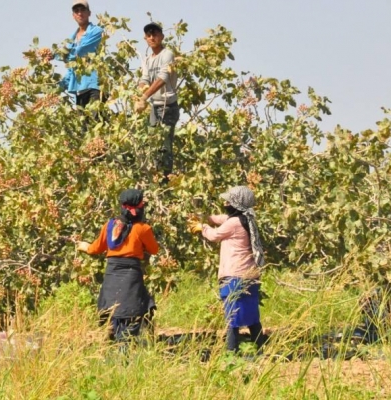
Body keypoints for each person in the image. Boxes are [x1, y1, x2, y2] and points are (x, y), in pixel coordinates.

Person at [189, 186, 266, 354]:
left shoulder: (234, 223)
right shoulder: (247, 218)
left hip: (235, 274)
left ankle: (231, 351)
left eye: (228, 201)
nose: (225, 203)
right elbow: (223, 218)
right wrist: (206, 218)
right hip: (250, 274)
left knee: (232, 314)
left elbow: (214, 236)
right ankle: (261, 348)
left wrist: (201, 227)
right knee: (251, 314)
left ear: (236, 204)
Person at [76, 189, 160, 345]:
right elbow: (154, 250)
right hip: (131, 277)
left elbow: (95, 249)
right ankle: (127, 353)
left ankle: (115, 350)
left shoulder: (109, 226)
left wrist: (84, 246)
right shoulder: (143, 229)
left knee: (114, 314)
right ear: (140, 208)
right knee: (132, 313)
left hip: (111, 278)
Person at [135, 22, 179, 185]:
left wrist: (145, 96)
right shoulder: (147, 59)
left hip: (168, 106)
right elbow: (144, 79)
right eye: (148, 35)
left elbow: (163, 78)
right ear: (145, 38)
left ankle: (165, 184)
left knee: (165, 147)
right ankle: (155, 180)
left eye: (155, 34)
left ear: (162, 36)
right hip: (155, 107)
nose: (152, 37)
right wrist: (140, 94)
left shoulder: (167, 54)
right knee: (153, 145)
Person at [60, 0, 104, 134]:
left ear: (89, 13)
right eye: (76, 11)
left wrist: (56, 55)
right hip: (79, 90)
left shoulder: (96, 31)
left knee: (97, 127)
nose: (80, 13)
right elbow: (71, 69)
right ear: (73, 15)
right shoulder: (71, 39)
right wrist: (56, 87)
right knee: (84, 131)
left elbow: (81, 51)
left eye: (82, 10)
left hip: (94, 86)